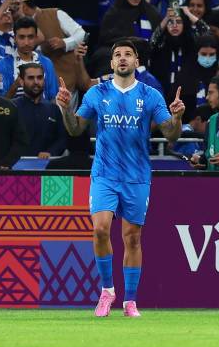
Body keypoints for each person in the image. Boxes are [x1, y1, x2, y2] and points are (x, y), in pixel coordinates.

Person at [54, 39, 185, 318]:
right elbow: (76, 129)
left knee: (132, 238)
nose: (122, 58)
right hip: (105, 173)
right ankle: (106, 290)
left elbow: (171, 135)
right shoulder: (96, 93)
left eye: (128, 54)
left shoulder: (151, 95)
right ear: (112, 63)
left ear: (137, 62)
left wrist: (177, 119)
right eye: (117, 55)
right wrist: (65, 109)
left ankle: (131, 301)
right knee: (100, 229)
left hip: (137, 176)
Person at [149, 6, 210, 101]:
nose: (174, 25)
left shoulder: (192, 43)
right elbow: (152, 42)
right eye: (170, 22)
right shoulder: (162, 44)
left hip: (188, 95)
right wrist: (166, 18)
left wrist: (188, 14)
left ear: (185, 24)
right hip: (164, 95)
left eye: (179, 22)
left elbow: (207, 32)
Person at [0, 17, 59, 100]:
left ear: (36, 38)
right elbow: (0, 102)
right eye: (22, 37)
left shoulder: (47, 63)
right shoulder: (3, 65)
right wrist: (15, 86)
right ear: (15, 38)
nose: (26, 42)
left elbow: (53, 98)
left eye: (30, 37)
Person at [13, 63, 66, 158]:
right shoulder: (12, 107)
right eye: (31, 78)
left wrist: (50, 152)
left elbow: (62, 139)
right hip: (17, 167)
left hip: (47, 167)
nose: (36, 82)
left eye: (39, 77)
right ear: (21, 81)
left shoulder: (53, 109)